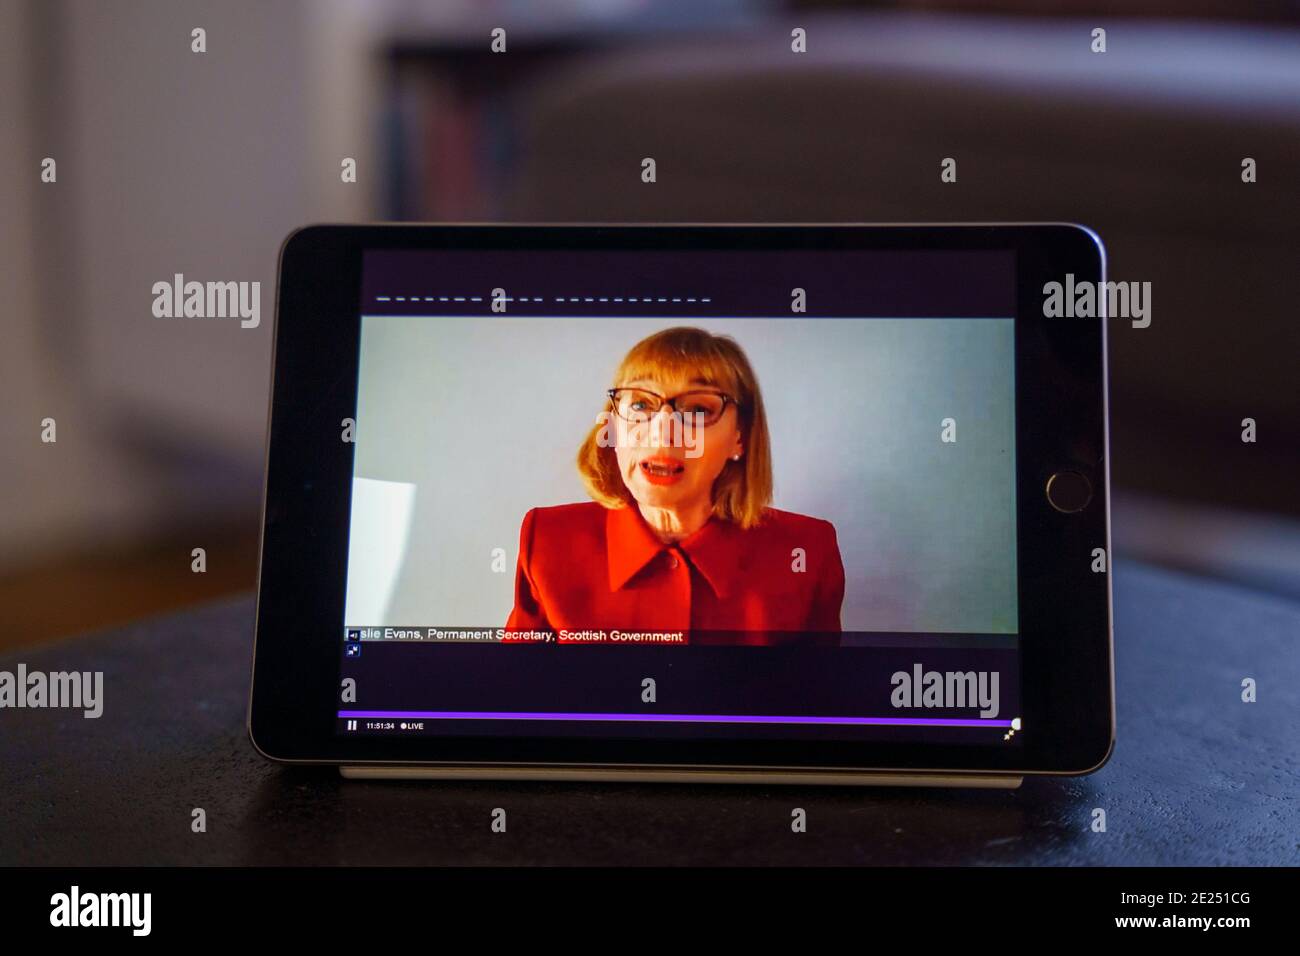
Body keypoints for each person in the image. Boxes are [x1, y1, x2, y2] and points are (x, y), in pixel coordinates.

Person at [506, 326, 844, 645]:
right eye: (640, 404)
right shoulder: (548, 541)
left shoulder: (808, 551)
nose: (662, 431)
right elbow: (513, 696)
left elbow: (816, 701)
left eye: (697, 409)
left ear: (739, 438)